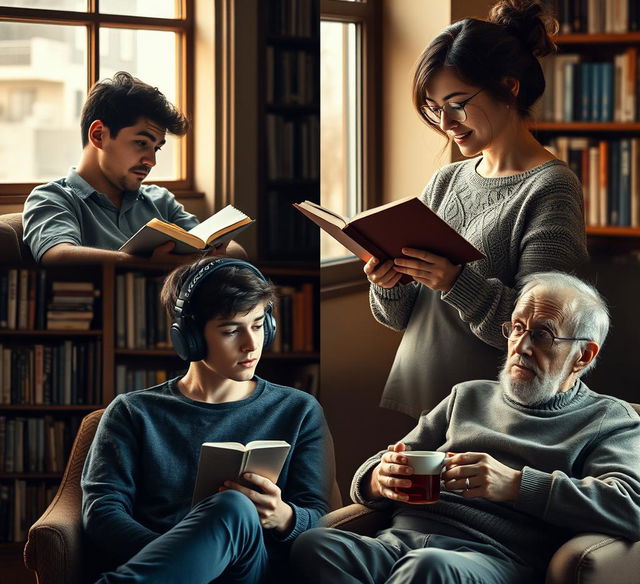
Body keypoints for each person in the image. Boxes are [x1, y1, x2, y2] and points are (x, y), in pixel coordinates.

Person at [291, 271, 640, 584]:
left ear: (583, 356)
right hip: (399, 541)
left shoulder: (610, 419)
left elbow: (630, 508)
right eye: (517, 328)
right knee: (314, 544)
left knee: (427, 568)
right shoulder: (467, 395)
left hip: (491, 557)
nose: (521, 346)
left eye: (543, 335)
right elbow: (391, 460)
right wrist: (379, 478)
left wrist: (517, 485)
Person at [365, 0, 588, 417]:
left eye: (457, 105)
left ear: (508, 86)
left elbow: (546, 333)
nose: (446, 126)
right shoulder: (447, 180)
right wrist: (388, 281)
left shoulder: (551, 187)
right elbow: (402, 318)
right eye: (434, 110)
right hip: (420, 395)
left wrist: (454, 282)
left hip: (495, 411)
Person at [81, 257, 333, 583]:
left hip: (251, 570)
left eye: (258, 325)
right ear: (189, 338)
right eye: (231, 330)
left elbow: (322, 517)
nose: (251, 344)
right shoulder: (133, 411)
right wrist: (192, 554)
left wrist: (284, 516)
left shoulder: (298, 409)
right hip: (163, 567)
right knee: (232, 507)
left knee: (234, 506)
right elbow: (102, 513)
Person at [23, 72, 245, 265]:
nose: (151, 161)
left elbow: (236, 250)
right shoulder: (52, 198)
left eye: (156, 148)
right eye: (141, 143)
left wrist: (205, 256)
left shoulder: (161, 201)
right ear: (99, 135)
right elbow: (58, 255)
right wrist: (147, 264)